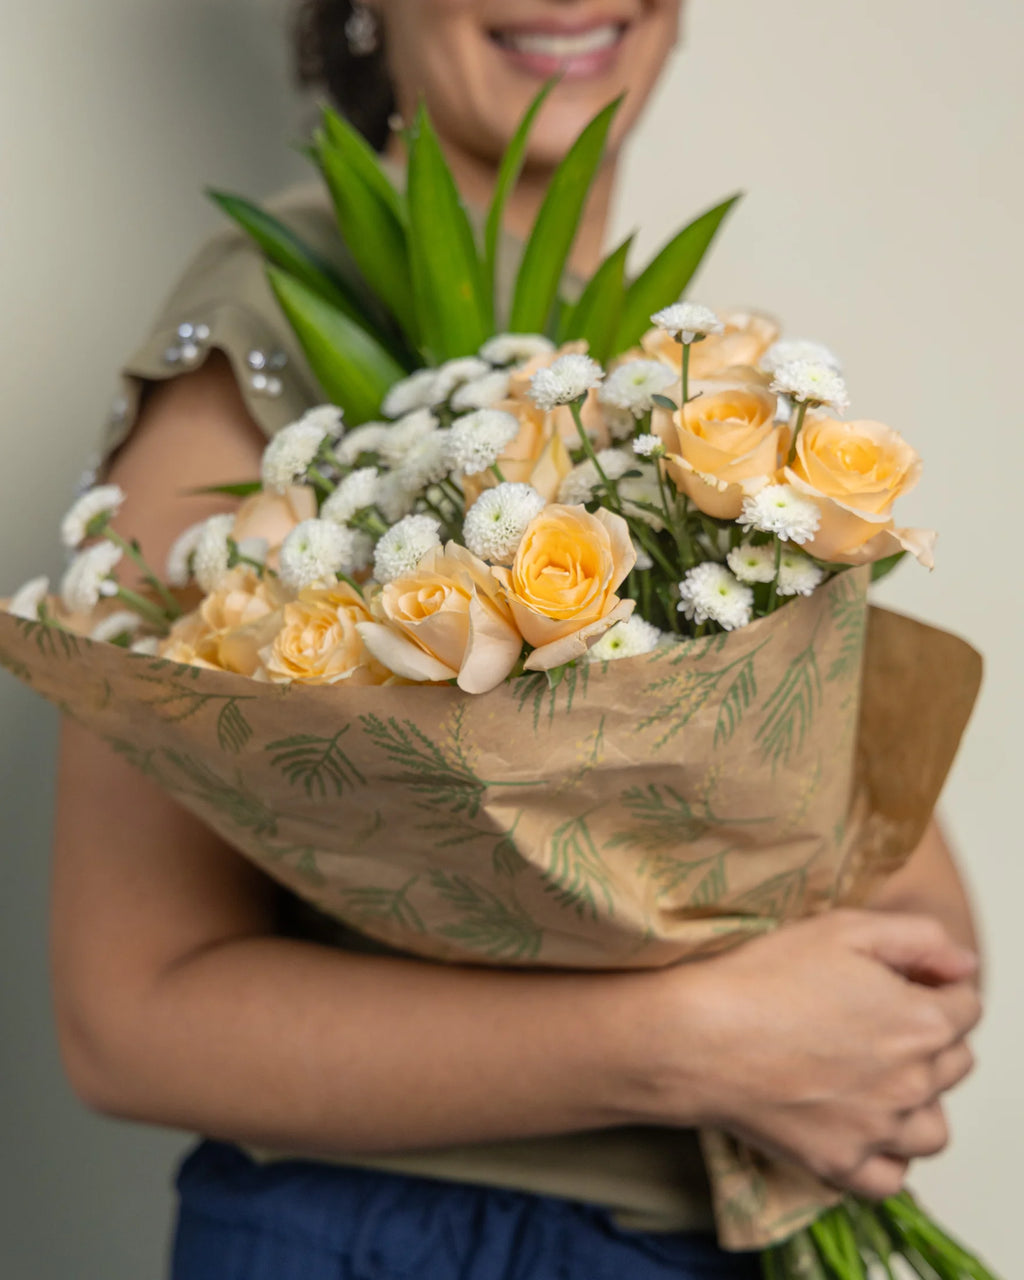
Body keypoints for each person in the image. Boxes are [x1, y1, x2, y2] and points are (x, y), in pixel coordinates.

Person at [51, 3, 983, 1277]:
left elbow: (880, 854)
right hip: (402, 1244)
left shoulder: (645, 351)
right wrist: (694, 1040)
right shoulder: (267, 340)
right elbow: (129, 1017)